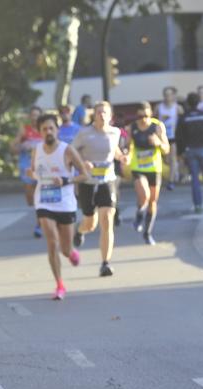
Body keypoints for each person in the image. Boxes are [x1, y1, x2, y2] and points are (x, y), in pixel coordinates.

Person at [28, 113, 90, 300]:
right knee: (52, 241)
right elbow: (34, 173)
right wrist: (30, 173)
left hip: (65, 203)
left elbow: (85, 174)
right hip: (44, 201)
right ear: (39, 132)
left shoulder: (67, 150)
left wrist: (65, 180)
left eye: (51, 128)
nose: (48, 131)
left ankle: (70, 253)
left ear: (57, 130)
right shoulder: (36, 150)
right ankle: (59, 285)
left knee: (64, 248)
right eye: (44, 129)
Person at [72, 100, 125, 277]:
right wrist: (83, 162)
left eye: (105, 113)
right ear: (93, 115)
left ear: (110, 116)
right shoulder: (84, 133)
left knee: (107, 219)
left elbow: (114, 150)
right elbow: (72, 151)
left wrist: (121, 157)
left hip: (107, 180)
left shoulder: (115, 132)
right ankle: (80, 231)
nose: (102, 115)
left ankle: (105, 263)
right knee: (90, 223)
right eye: (98, 112)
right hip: (87, 181)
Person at [128, 101, 170, 245]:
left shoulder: (157, 126)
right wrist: (126, 155)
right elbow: (127, 147)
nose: (143, 119)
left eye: (146, 115)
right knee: (144, 195)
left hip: (154, 168)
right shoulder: (132, 128)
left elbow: (167, 149)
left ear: (150, 114)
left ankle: (147, 233)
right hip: (138, 167)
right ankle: (139, 215)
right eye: (140, 116)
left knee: (152, 201)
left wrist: (158, 143)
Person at [177, 91, 203, 214]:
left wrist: (181, 152)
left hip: (190, 150)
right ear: (198, 103)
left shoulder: (184, 118)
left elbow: (179, 136)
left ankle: (198, 205)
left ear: (188, 104)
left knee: (195, 178)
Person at [13, 106, 44, 238]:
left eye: (37, 115)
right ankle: (40, 215)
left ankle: (39, 224)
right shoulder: (24, 130)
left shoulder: (45, 129)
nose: (34, 117)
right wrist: (21, 146)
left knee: (40, 196)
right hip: (26, 165)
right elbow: (13, 146)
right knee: (30, 197)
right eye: (32, 115)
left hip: (42, 166)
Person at [158, 86, 184, 189]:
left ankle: (171, 180)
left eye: (169, 94)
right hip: (161, 137)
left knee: (172, 158)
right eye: (166, 94)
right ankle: (173, 173)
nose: (167, 97)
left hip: (173, 136)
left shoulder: (178, 108)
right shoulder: (159, 107)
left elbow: (182, 120)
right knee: (166, 160)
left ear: (173, 96)